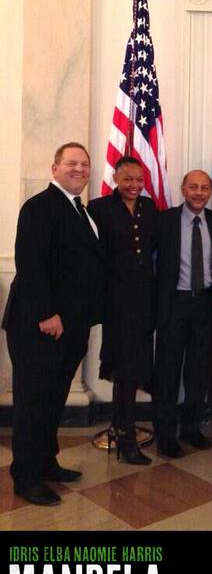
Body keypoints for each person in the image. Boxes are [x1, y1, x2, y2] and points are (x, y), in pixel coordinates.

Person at [2, 142, 105, 505]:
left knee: (52, 399)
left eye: (84, 164)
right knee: (33, 402)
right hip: (40, 326)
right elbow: (31, 266)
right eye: (71, 163)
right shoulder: (39, 207)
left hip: (69, 328)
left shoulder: (79, 210)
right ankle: (25, 477)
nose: (79, 169)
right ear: (55, 168)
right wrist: (47, 314)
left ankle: (46, 462)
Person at [88, 156, 158, 465]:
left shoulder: (150, 208)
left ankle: (121, 426)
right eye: (128, 179)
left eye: (139, 180)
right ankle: (125, 436)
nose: (134, 185)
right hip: (116, 301)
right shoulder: (99, 208)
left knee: (137, 364)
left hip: (145, 300)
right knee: (124, 366)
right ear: (115, 178)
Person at [154, 170, 212, 457]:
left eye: (204, 188)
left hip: (204, 303)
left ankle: (191, 428)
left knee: (198, 370)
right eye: (193, 187)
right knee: (167, 371)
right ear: (183, 189)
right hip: (174, 304)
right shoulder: (165, 220)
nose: (199, 193)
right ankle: (165, 434)